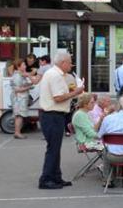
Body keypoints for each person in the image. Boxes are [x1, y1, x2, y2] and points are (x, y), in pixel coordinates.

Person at [38, 53, 85, 190]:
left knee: (55, 148)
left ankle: (56, 177)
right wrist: (76, 92)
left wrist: (73, 92)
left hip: (54, 114)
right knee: (53, 148)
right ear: (63, 62)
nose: (71, 65)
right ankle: (46, 179)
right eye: (70, 63)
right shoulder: (55, 75)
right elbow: (58, 97)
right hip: (52, 115)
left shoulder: (56, 75)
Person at [10, 59, 33, 139]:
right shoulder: (17, 76)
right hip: (18, 98)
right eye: (23, 65)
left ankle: (18, 132)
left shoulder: (21, 75)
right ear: (18, 67)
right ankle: (17, 132)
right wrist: (29, 87)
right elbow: (17, 89)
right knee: (19, 115)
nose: (25, 66)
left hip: (21, 98)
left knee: (20, 115)